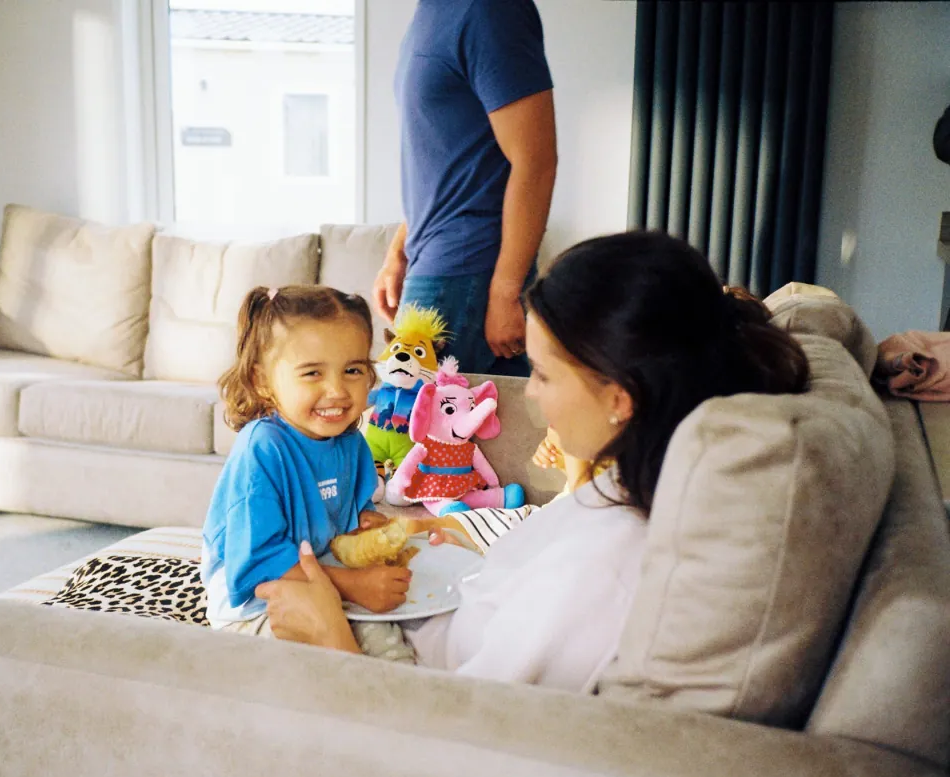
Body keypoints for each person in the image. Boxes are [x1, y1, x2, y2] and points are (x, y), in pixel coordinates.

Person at [256, 231, 810, 691]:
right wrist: (452, 544)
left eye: (542, 374)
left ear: (620, 398)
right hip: (418, 617)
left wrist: (330, 639)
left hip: (389, 676)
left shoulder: (602, 571)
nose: (529, 394)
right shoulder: (622, 484)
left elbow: (459, 733)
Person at [201, 285, 416, 663]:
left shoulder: (350, 440)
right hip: (259, 601)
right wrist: (353, 586)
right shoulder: (262, 449)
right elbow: (258, 561)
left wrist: (367, 525)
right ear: (262, 381)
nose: (336, 390)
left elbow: (354, 509)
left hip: (324, 573)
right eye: (313, 373)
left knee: (393, 644)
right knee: (313, 664)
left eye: (352, 370)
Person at [374, 0, 558, 377]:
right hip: (436, 265)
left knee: (408, 408)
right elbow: (443, 162)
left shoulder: (489, 11)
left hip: (465, 270)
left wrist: (505, 291)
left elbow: (536, 161)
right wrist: (398, 252)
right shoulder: (430, 13)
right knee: (435, 413)